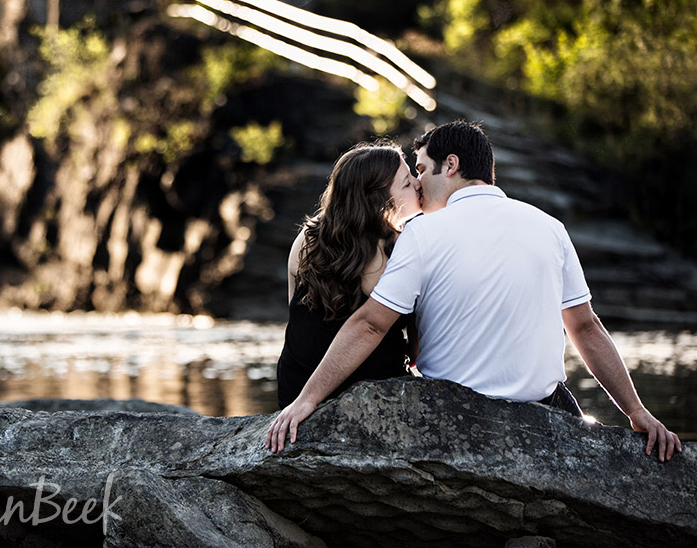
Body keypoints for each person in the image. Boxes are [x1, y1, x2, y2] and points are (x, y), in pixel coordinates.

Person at [267, 120, 682, 462]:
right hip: (543, 410)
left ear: (450, 165)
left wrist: (306, 399)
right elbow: (587, 328)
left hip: (453, 415)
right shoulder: (550, 227)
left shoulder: (421, 234)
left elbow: (372, 325)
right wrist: (636, 411)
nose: (418, 184)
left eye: (421, 171)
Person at [277, 140, 422, 408]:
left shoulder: (308, 236)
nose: (418, 183)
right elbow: (417, 353)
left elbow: (297, 319)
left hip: (294, 386)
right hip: (370, 395)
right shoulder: (398, 247)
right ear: (378, 200)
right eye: (406, 183)